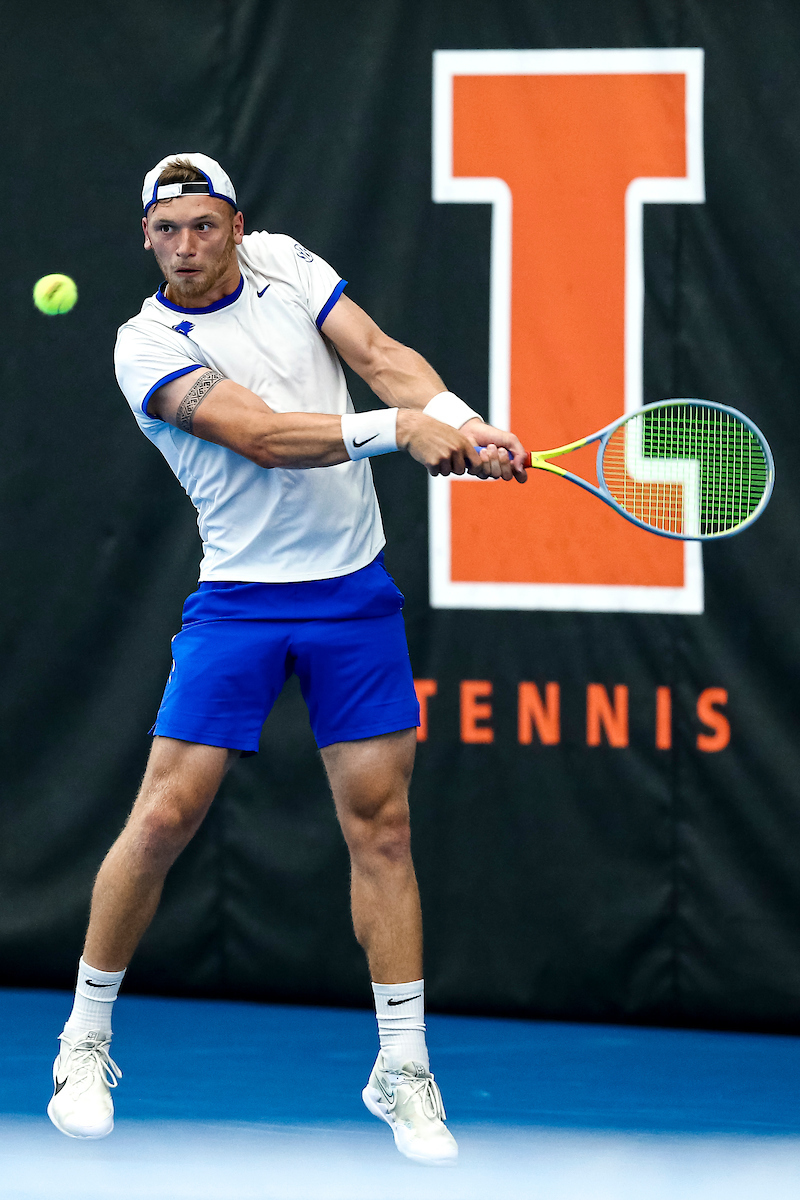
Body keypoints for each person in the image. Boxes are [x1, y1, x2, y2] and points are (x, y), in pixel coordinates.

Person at [47, 152, 527, 1165]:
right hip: (240, 604)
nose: (186, 247)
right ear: (145, 238)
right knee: (167, 816)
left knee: (382, 830)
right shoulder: (146, 346)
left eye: (203, 225)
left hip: (352, 595)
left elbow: (384, 352)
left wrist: (459, 422)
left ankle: (401, 1067)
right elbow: (261, 436)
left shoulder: (286, 266)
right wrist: (399, 431)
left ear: (235, 224)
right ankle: (83, 1040)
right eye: (166, 230)